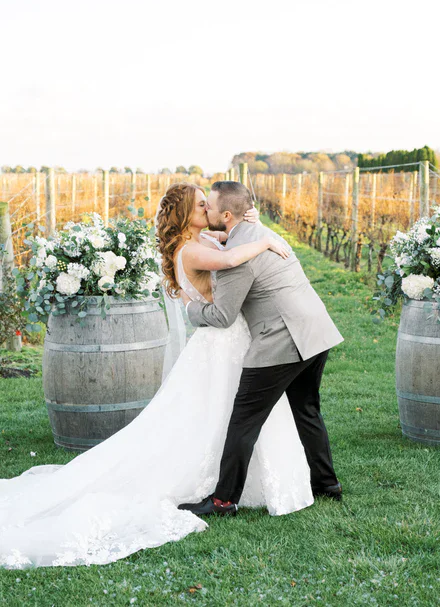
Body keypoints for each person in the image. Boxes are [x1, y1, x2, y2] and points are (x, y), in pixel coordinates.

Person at [0, 182, 315, 570]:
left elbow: (228, 234)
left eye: (210, 205)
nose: (209, 209)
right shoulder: (193, 249)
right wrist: (265, 242)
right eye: (202, 205)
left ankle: (236, 488)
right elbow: (232, 259)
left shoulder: (201, 239)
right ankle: (223, 490)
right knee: (229, 415)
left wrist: (252, 222)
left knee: (230, 416)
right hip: (221, 340)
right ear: (186, 214)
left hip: (228, 340)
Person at [178, 180, 344, 517]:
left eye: (208, 206)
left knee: (243, 421)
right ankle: (327, 485)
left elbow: (223, 316)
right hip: (316, 330)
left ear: (226, 215)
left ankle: (223, 501)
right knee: (307, 410)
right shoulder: (259, 231)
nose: (204, 209)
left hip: (282, 339)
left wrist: (188, 308)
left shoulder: (235, 260)